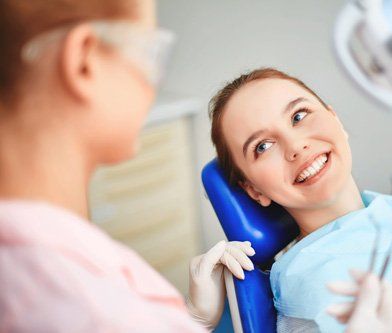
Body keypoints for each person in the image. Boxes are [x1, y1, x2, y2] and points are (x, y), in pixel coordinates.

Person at [0, 1, 255, 331]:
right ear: (84, 62)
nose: (152, 83)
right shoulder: (85, 307)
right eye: (149, 51)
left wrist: (191, 320)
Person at [208, 67, 392, 332]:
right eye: (263, 146)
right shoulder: (313, 290)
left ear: (336, 120)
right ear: (254, 191)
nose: (296, 146)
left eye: (299, 116)